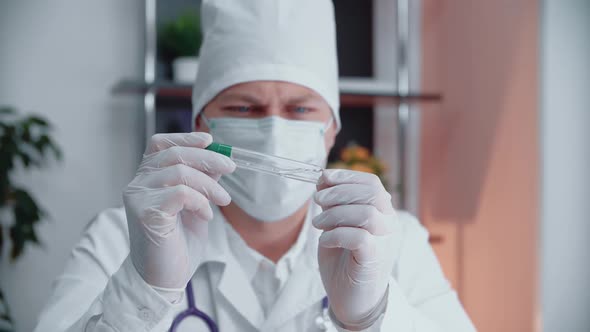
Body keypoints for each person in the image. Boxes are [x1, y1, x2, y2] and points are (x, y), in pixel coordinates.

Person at [34, 0, 476, 331]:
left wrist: (370, 315)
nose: (273, 129)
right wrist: (144, 286)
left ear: (331, 130)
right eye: (245, 108)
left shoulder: (394, 242)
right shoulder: (118, 238)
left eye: (301, 110)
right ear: (201, 125)